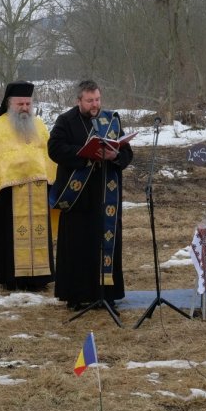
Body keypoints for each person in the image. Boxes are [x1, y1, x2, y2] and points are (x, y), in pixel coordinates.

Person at [0, 82, 57, 291]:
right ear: (9, 103)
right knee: (10, 238)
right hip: (9, 194)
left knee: (40, 233)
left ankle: (40, 278)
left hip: (39, 192)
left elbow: (48, 155)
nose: (24, 107)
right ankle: (12, 279)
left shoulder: (39, 125)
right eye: (20, 103)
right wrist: (15, 170)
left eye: (28, 103)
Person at [48, 80, 133, 309]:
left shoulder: (111, 120)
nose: (94, 104)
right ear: (79, 101)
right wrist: (86, 154)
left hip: (106, 196)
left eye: (97, 99)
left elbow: (127, 154)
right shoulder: (66, 121)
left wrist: (113, 156)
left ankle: (107, 294)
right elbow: (54, 149)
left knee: (105, 244)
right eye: (89, 101)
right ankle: (76, 296)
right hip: (78, 197)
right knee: (77, 245)